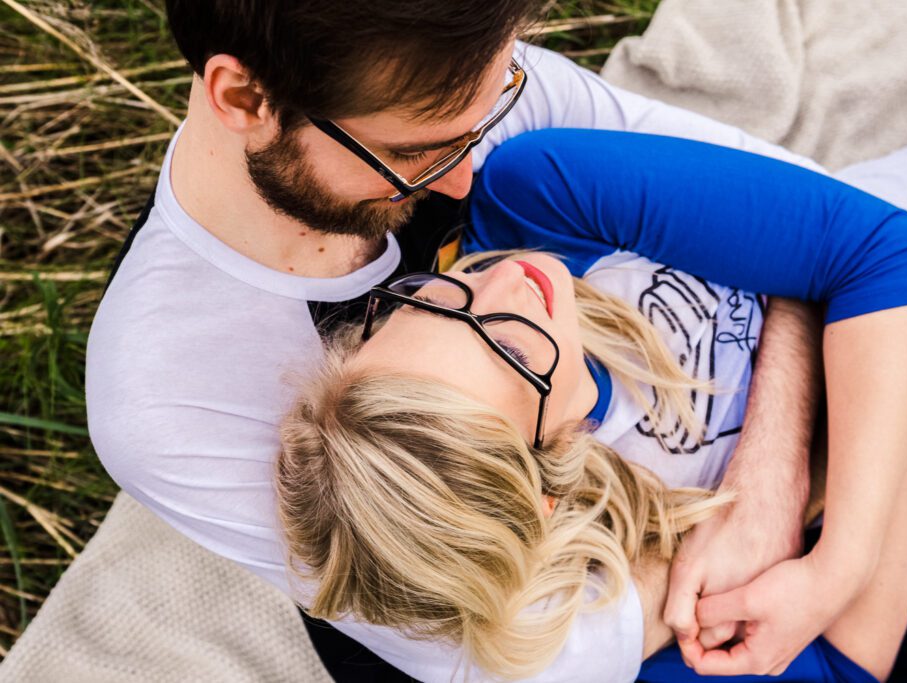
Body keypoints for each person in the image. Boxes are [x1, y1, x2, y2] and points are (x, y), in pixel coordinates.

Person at [86, 2, 842, 681]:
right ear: (246, 99)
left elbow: (815, 217)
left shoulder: (449, 81)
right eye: (415, 154)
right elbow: (548, 656)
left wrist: (772, 484)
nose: (464, 178)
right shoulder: (166, 391)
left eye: (491, 107)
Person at [276, 127, 907, 681]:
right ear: (542, 486)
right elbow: (842, 669)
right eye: (507, 350)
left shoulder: (537, 200)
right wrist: (901, 397)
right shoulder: (624, 590)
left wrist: (835, 560)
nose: (503, 281)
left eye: (431, 302)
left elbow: (894, 251)